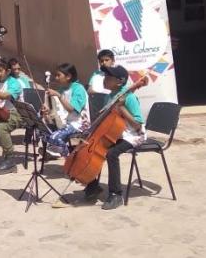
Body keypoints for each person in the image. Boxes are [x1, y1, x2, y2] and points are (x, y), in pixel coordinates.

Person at [83, 65, 145, 210]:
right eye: (105, 76)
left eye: (109, 77)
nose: (105, 79)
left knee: (111, 153)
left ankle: (116, 194)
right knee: (94, 147)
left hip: (134, 135)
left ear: (119, 81)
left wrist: (122, 109)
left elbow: (137, 125)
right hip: (118, 133)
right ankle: (93, 185)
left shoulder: (129, 97)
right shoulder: (110, 96)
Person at [42, 63, 90, 157]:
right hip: (65, 122)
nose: (56, 78)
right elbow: (57, 107)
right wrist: (46, 108)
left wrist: (59, 96)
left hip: (78, 124)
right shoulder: (62, 89)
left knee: (54, 137)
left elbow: (72, 109)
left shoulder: (78, 89)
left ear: (68, 76)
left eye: (58, 75)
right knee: (42, 132)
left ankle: (67, 156)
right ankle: (56, 148)